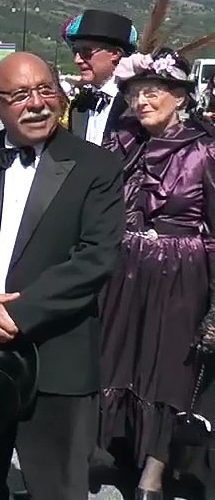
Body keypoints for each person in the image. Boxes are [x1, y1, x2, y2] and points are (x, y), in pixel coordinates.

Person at [0, 52, 124, 500]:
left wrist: (20, 314)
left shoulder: (97, 167)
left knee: (57, 487)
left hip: (58, 355)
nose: (36, 103)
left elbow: (96, 257)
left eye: (44, 90)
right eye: (19, 95)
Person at [96, 43, 215, 497]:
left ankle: (155, 469)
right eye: (135, 93)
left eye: (153, 92)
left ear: (180, 97)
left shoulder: (204, 151)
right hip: (126, 266)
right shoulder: (123, 145)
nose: (141, 101)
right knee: (120, 357)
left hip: (181, 272)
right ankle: (118, 447)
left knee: (168, 368)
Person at [64, 9, 136, 146]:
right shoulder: (79, 106)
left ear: (115, 53)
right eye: (75, 51)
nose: (77, 60)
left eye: (86, 52)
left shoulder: (134, 105)